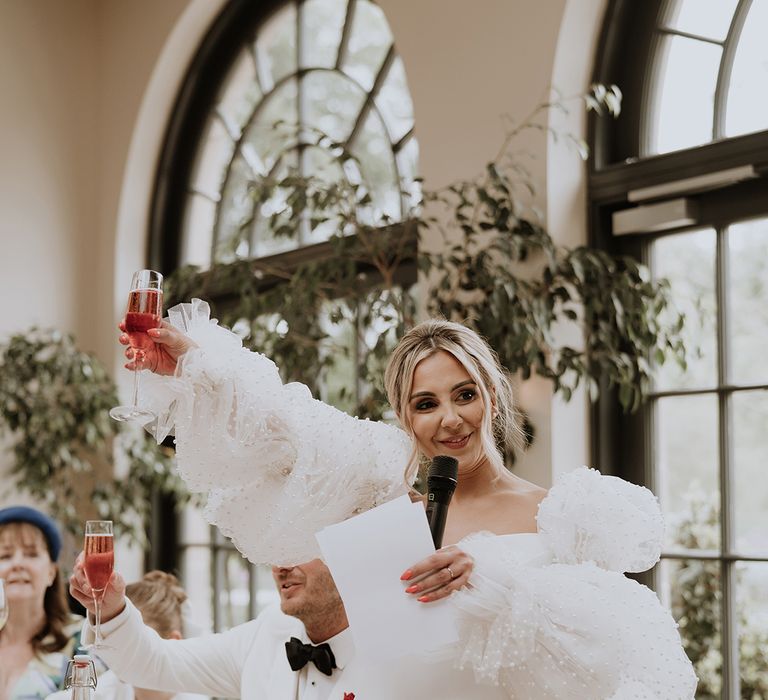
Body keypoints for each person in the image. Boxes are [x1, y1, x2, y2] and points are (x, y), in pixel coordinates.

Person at [121, 299, 698, 699]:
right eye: (426, 404)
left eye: (464, 394)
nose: (450, 419)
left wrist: (494, 577)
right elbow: (288, 432)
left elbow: (611, 651)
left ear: (491, 398)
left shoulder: (563, 514)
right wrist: (198, 367)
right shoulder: (382, 502)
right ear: (404, 418)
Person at [68, 557, 505, 700]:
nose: (280, 563)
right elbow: (155, 663)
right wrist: (111, 610)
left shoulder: (413, 650)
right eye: (272, 547)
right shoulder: (266, 635)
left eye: (298, 545)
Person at [47, 571, 205, 700]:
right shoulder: (115, 685)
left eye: (133, 642)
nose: (118, 653)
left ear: (172, 642)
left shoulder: (193, 695)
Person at [0, 506, 83, 699]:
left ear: (51, 573)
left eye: (31, 554)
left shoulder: (82, 639)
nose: (18, 564)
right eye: (5, 556)